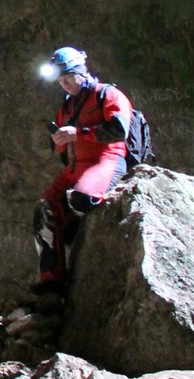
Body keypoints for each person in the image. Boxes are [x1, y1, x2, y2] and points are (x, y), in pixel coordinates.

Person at [34, 46, 132, 290]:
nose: (65, 83)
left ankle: (72, 235)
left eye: (69, 77)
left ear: (82, 72)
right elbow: (58, 144)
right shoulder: (66, 107)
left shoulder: (107, 94)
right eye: (61, 80)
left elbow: (118, 131)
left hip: (107, 159)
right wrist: (58, 141)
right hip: (77, 166)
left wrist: (78, 133)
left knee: (81, 199)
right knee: (43, 209)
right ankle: (51, 282)